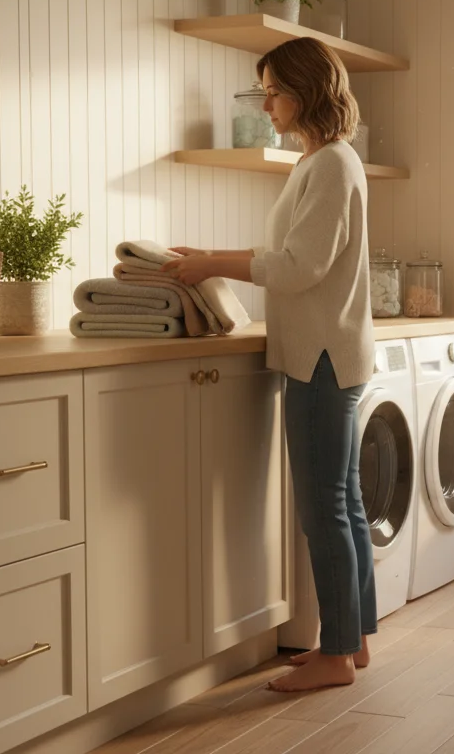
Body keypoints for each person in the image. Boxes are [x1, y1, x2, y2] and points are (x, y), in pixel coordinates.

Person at [160, 37, 376, 693]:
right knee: (347, 505)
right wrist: (213, 254)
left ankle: (336, 657)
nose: (267, 104)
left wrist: (211, 266)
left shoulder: (331, 165)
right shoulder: (322, 162)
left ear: (306, 91)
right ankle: (352, 641)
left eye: (273, 90)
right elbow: (289, 251)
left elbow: (299, 267)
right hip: (332, 351)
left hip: (320, 358)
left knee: (324, 512)